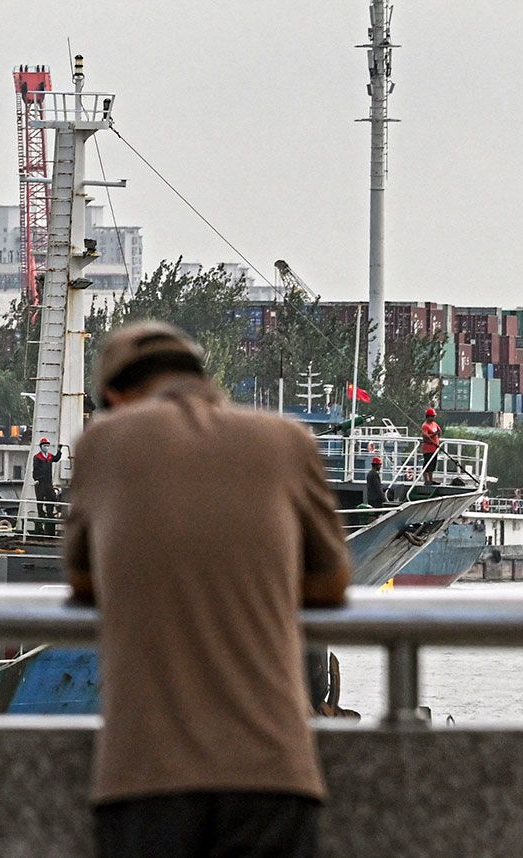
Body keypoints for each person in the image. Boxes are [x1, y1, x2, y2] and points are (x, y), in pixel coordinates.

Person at [64, 321, 350, 858]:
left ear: (117, 395)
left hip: (146, 776)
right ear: (201, 376)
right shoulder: (287, 439)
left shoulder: (104, 442)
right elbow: (333, 580)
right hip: (273, 773)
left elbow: (82, 577)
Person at [420, 407, 442, 485]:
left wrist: (438, 434)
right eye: (432, 416)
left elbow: (439, 430)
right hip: (428, 449)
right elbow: (425, 436)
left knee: (432, 465)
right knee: (427, 464)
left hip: (434, 448)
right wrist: (434, 434)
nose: (433, 418)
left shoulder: (434, 424)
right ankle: (426, 480)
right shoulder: (425, 426)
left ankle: (431, 480)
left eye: (434, 416)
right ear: (428, 416)